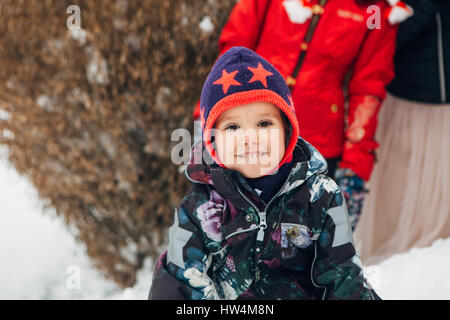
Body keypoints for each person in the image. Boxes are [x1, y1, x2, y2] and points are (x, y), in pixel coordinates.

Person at [149, 47, 379, 300]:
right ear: (212, 140)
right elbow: (177, 280)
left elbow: (342, 274)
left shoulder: (321, 197)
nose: (250, 138)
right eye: (233, 126)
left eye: (264, 123)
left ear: (287, 130)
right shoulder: (199, 208)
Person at [192, 0, 412, 230]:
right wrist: (206, 123)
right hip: (245, 136)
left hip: (315, 152)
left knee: (301, 249)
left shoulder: (374, 10)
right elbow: (230, 57)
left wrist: (354, 170)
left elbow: (368, 88)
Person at [353, 0, 450, 266]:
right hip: (398, 85)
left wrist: (370, 38)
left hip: (429, 92)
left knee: (425, 175)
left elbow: (412, 14)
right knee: (398, 174)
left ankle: (417, 258)